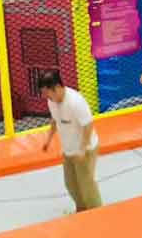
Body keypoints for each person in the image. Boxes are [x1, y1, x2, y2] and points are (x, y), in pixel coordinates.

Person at [40, 70, 102, 211]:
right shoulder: (52, 101)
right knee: (71, 184)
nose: (45, 97)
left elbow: (88, 126)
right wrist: (48, 140)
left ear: (57, 88)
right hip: (68, 150)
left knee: (86, 185)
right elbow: (55, 120)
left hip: (85, 150)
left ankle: (96, 212)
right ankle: (82, 209)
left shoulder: (75, 102)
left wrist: (82, 149)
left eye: (47, 93)